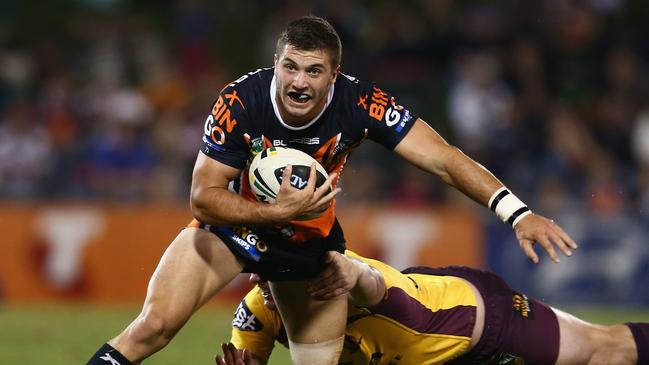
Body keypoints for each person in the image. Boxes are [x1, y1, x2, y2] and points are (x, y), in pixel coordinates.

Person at [87, 15, 577, 365]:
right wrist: (275, 211)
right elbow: (202, 196)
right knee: (152, 327)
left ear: (333, 76)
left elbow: (443, 159)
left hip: (309, 254)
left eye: (313, 71)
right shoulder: (241, 100)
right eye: (290, 67)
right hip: (232, 229)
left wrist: (517, 213)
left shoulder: (360, 103)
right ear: (275, 64)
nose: (298, 83)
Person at [216, 250, 649, 365]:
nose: (258, 280)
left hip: (476, 321)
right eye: (258, 267)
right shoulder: (259, 310)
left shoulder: (341, 274)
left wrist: (353, 274)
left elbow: (371, 283)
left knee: (603, 352)